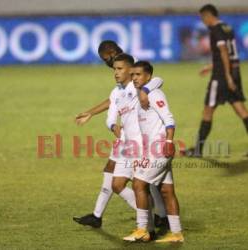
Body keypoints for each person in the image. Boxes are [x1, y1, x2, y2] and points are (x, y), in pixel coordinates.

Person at [73, 41, 168, 229]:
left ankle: (158, 217)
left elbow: (156, 80)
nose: (109, 66)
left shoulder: (134, 73)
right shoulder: (119, 86)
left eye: (107, 60)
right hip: (126, 138)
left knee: (147, 181)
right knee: (119, 177)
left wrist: (145, 91)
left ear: (112, 53)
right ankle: (100, 215)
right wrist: (105, 120)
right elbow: (114, 101)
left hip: (142, 138)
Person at [123, 61, 184, 243]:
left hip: (159, 148)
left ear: (148, 76)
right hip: (150, 149)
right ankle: (176, 233)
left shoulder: (155, 94)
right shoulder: (140, 92)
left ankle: (142, 229)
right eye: (132, 74)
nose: (134, 78)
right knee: (166, 190)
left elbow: (169, 118)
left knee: (138, 184)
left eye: (138, 75)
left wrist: (168, 141)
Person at [187, 4, 248, 157]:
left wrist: (226, 75)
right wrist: (212, 66)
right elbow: (230, 53)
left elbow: (223, 51)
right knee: (241, 110)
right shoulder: (227, 27)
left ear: (208, 16)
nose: (203, 22)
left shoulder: (215, 30)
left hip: (221, 76)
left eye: (203, 18)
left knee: (208, 110)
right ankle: (197, 149)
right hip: (234, 71)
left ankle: (198, 150)